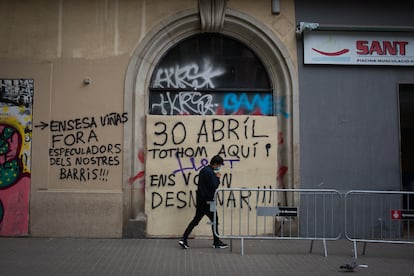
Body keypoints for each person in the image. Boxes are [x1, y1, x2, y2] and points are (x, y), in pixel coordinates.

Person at [179, 155, 228, 249]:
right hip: (209, 201)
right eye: (219, 165)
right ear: (215, 164)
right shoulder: (210, 173)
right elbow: (214, 185)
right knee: (215, 220)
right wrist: (217, 177)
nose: (219, 167)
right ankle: (216, 242)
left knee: (196, 220)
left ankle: (184, 239)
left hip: (201, 200)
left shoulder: (203, 170)